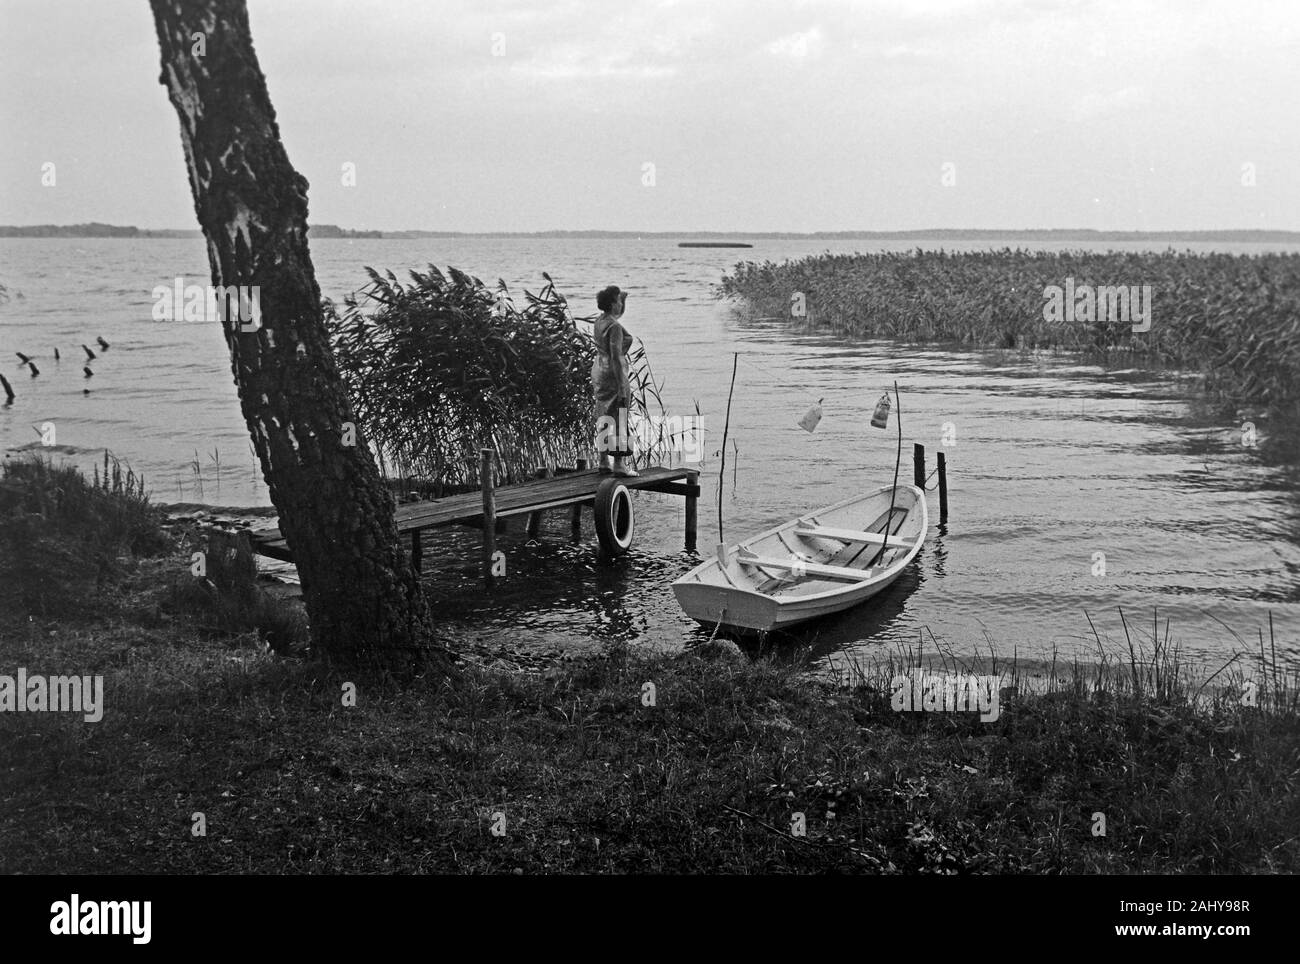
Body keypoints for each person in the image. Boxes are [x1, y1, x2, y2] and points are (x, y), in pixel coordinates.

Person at [591, 285, 638, 477]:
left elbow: (615, 315)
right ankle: (619, 464)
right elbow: (617, 357)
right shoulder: (615, 327)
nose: (621, 304)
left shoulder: (600, 321)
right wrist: (621, 387)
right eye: (619, 300)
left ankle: (603, 460)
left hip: (599, 371)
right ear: (612, 304)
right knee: (620, 416)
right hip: (613, 373)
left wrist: (624, 299)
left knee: (603, 415)